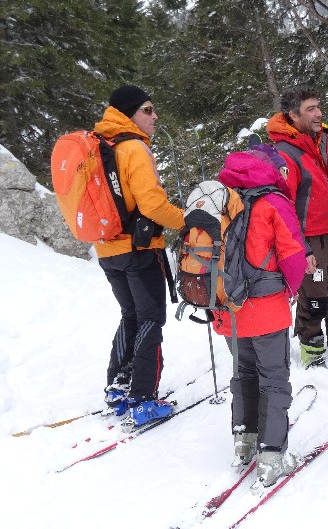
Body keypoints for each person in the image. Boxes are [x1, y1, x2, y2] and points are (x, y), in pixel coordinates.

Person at [211, 145, 308, 489]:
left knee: (243, 373)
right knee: (274, 380)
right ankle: (271, 456)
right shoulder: (274, 203)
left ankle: (244, 441)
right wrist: (292, 290)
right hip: (265, 309)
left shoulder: (218, 196)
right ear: (271, 169)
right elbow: (294, 257)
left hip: (225, 309)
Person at [95, 85, 184, 429]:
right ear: (129, 114)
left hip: (107, 249)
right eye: (147, 110)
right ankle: (143, 399)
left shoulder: (102, 144)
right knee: (150, 319)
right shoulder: (133, 148)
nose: (154, 116)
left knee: (130, 315)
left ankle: (118, 386)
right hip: (139, 248)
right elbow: (152, 205)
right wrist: (188, 219)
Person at [267, 85, 328, 368]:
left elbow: (322, 187)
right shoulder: (287, 153)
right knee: (314, 295)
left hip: (325, 232)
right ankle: (311, 348)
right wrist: (302, 249)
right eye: (310, 109)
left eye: (318, 106)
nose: (319, 113)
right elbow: (286, 206)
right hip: (306, 238)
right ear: (293, 115)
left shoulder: (318, 141)